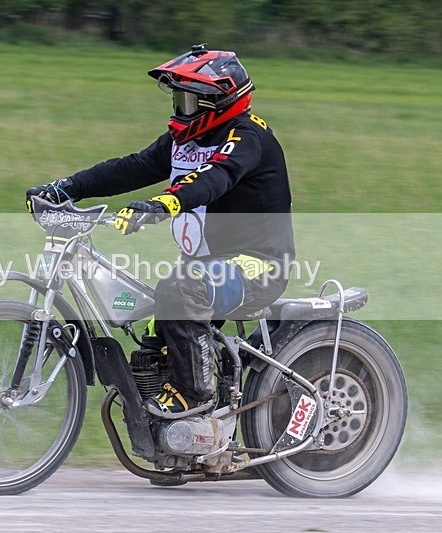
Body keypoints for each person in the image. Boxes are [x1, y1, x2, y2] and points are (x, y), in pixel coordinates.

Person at [26, 44, 295, 414]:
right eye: (177, 98)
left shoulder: (248, 137)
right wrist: (65, 188)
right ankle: (186, 433)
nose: (179, 108)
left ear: (217, 101)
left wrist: (163, 203)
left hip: (259, 264)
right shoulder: (183, 141)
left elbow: (216, 178)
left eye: (187, 99)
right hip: (207, 266)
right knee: (153, 333)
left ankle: (195, 399)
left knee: (180, 288)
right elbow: (129, 168)